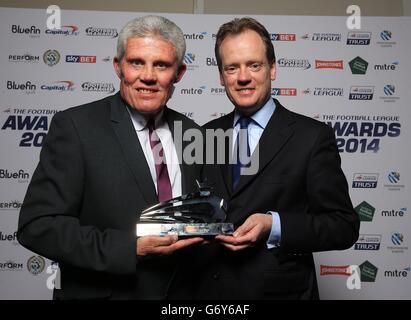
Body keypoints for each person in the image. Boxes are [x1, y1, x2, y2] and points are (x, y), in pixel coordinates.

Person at [17, 15, 205, 300]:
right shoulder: (76, 127)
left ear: (179, 73)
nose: (148, 76)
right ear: (119, 67)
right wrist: (129, 248)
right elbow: (37, 226)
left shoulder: (192, 133)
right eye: (136, 62)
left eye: (161, 65)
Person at [197, 17, 360, 299]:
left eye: (254, 65)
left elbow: (343, 226)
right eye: (232, 68)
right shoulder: (205, 134)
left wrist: (274, 225)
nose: (243, 77)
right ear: (221, 77)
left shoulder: (312, 136)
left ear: (272, 68)